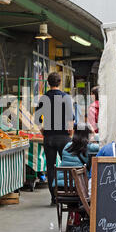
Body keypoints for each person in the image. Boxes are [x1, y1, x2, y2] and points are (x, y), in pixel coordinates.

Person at [35, 71, 74, 205]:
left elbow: (37, 119)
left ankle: (54, 197)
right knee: (67, 165)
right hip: (63, 137)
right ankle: (67, 194)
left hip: (49, 137)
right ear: (60, 82)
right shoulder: (66, 97)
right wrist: (70, 133)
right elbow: (70, 119)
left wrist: (43, 131)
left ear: (48, 83)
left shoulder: (43, 98)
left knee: (50, 167)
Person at [56, 123, 99, 187]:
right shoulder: (89, 147)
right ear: (87, 134)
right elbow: (103, 146)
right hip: (80, 186)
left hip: (61, 185)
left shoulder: (67, 146)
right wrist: (95, 136)